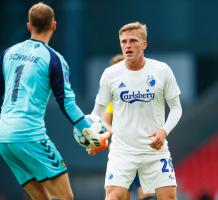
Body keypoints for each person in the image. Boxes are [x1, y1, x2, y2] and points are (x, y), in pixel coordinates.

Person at [0, 2, 104, 200]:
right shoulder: (53, 59)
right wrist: (91, 137)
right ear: (54, 25)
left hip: (4, 138)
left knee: (41, 198)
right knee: (65, 197)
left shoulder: (7, 54)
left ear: (29, 26)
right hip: (29, 135)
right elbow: (67, 104)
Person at [89, 22, 182, 200]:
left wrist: (164, 131)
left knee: (169, 197)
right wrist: (93, 139)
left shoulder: (162, 71)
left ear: (144, 44)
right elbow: (97, 113)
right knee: (113, 196)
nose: (127, 45)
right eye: (123, 42)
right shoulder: (110, 74)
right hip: (122, 152)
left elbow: (176, 108)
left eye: (133, 41)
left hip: (154, 150)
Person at [103, 54, 156, 200]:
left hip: (142, 149)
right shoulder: (114, 95)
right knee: (120, 194)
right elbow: (105, 120)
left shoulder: (143, 91)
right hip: (122, 152)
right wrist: (113, 131)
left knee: (147, 195)